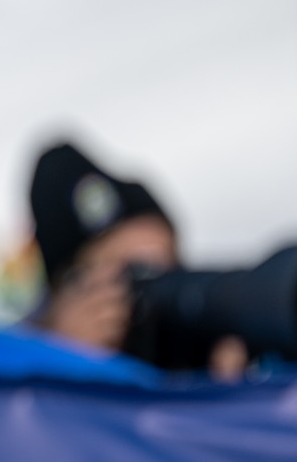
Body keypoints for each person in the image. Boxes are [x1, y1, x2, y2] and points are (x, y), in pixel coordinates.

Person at [27, 139, 248, 379]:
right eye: (138, 274)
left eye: (171, 269)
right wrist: (64, 366)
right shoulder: (22, 392)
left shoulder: (202, 350)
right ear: (68, 297)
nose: (159, 287)